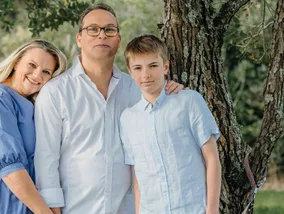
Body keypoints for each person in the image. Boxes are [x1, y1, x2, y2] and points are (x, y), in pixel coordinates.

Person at [34, 3, 183, 214]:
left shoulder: (136, 89)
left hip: (128, 208)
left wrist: (173, 91)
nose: (101, 35)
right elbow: (46, 157)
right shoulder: (56, 92)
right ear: (79, 39)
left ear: (118, 40)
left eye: (109, 29)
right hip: (74, 209)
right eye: (92, 29)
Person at [0, 39, 67, 214]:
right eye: (32, 65)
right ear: (16, 63)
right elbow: (11, 169)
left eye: (46, 71)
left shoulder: (32, 105)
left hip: (24, 200)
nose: (37, 75)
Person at [120, 34, 222, 214]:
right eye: (138, 68)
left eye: (153, 65)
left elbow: (212, 158)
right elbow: (138, 176)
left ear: (165, 66)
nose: (146, 74)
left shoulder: (189, 101)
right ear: (130, 71)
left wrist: (212, 211)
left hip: (192, 208)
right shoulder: (128, 118)